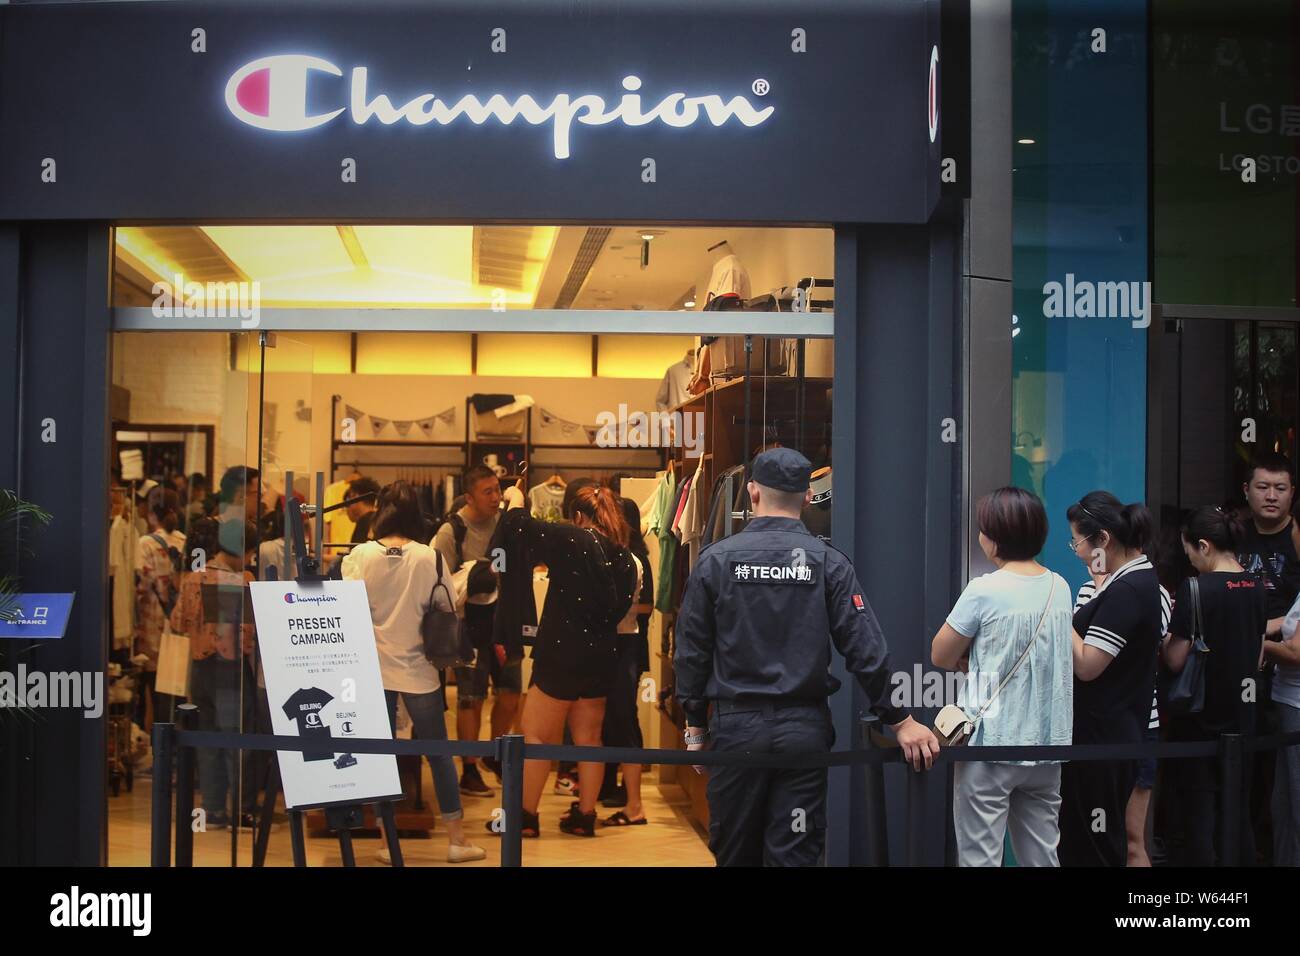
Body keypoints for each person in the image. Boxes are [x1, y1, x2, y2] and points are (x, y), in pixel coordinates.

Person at [675, 447, 938, 867]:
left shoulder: (715, 562)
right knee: (795, 854)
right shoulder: (828, 563)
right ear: (804, 497)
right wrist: (899, 719)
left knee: (734, 853)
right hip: (803, 732)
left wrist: (693, 725)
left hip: (736, 730)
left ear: (752, 492)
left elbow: (691, 649)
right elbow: (864, 648)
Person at [341, 482, 486, 864]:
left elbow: (346, 608)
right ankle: (456, 839)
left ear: (381, 510)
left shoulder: (360, 556)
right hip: (419, 668)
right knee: (438, 753)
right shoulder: (430, 557)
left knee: (381, 757)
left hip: (373, 668)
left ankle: (389, 842)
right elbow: (444, 604)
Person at [486, 482, 639, 838]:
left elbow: (518, 528)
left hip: (559, 654)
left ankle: (524, 816)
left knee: (537, 737)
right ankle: (585, 816)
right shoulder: (624, 557)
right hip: (602, 656)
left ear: (579, 516)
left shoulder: (573, 540)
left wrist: (517, 499)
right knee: (590, 739)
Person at [931, 487, 1074, 867]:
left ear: (993, 537)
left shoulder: (984, 589)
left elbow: (940, 654)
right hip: (1047, 746)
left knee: (980, 858)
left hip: (991, 745)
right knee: (1042, 856)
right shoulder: (1060, 588)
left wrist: (972, 657)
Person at [1060, 491, 1163, 866]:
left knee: (1095, 846)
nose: (1076, 551)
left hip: (1105, 740)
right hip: (1107, 736)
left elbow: (1088, 664)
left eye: (1078, 541)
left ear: (1103, 540)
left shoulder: (1129, 590)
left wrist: (1056, 607)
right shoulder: (1128, 584)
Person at [1161, 506, 1265, 865]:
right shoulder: (1255, 584)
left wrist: (1161, 641)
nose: (1189, 558)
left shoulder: (1195, 588)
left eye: (1189, 549)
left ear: (1203, 546)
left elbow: (1176, 658)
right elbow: (1259, 650)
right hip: (1245, 715)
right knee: (1237, 812)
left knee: (1199, 818)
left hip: (1200, 717)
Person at [431, 465, 520, 797]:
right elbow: (438, 585)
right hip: (467, 625)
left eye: (498, 489)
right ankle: (468, 769)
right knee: (470, 699)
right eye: (488, 492)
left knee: (511, 695)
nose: (496, 497)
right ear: (469, 496)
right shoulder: (450, 531)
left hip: (503, 622)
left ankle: (493, 754)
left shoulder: (504, 525)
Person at [170, 517, 258, 829]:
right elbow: (247, 634)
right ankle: (241, 809)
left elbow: (177, 623)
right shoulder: (242, 580)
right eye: (249, 552)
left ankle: (212, 808)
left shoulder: (193, 578)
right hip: (231, 668)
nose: (250, 559)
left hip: (199, 667)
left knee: (207, 738)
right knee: (238, 740)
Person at [1236, 452, 1300, 863]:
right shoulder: (1234, 534)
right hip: (1241, 664)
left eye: (1280, 488)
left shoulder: (1297, 537)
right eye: (1263, 487)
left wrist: (1274, 626)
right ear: (1247, 491)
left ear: (1293, 493)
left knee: (1286, 774)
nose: (1271, 496)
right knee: (1244, 763)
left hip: (1285, 664)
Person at [599, 492, 655, 824]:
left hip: (630, 644)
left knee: (624, 715)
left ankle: (629, 794)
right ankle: (610, 784)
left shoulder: (636, 559)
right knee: (608, 716)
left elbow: (647, 607)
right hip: (618, 644)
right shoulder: (615, 554)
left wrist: (616, 608)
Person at [134, 486, 185, 729]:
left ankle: (159, 750)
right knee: (176, 692)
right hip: (178, 628)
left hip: (152, 629)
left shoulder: (145, 543)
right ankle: (177, 749)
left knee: (153, 690)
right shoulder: (186, 541)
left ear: (151, 513)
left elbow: (140, 587)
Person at [347, 476, 381, 544]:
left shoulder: (364, 522)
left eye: (349, 499)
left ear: (355, 496)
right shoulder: (380, 519)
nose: (348, 507)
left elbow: (357, 553)